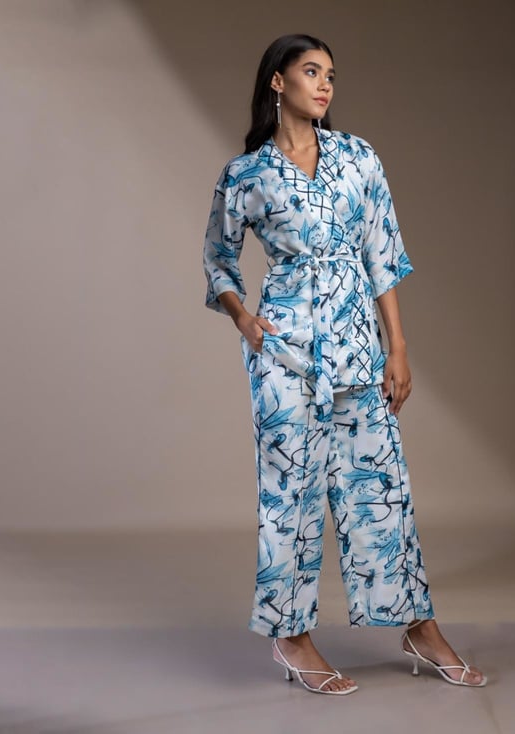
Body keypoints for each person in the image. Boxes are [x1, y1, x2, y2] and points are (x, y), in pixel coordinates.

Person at [203, 33, 487, 695]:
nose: (325, 84)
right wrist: (244, 319)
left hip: (357, 346)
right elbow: (218, 258)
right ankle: (292, 638)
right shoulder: (246, 174)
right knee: (289, 498)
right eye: (311, 71)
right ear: (278, 81)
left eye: (330, 73)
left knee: (380, 490)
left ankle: (419, 626)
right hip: (285, 355)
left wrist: (399, 348)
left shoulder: (358, 158)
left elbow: (382, 256)